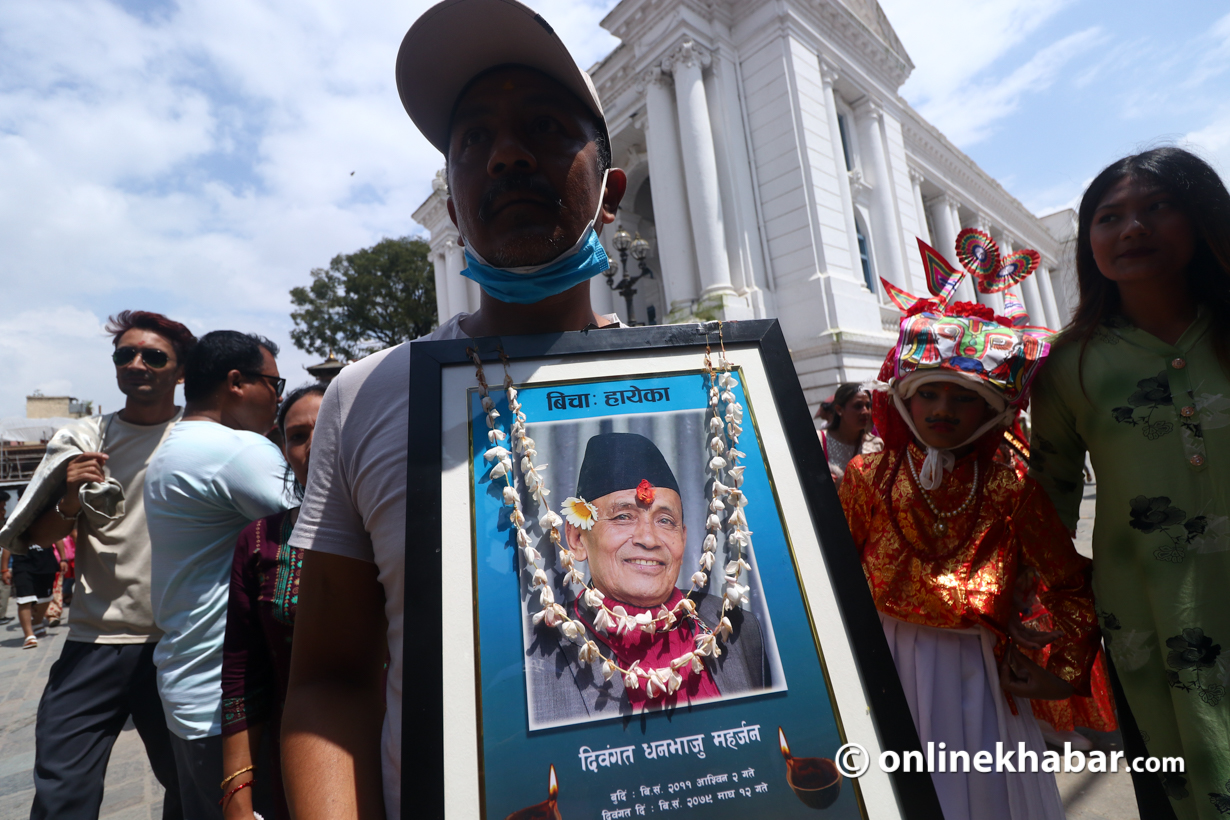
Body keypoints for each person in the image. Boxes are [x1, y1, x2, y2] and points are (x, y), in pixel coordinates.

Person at [281, 0, 630, 816]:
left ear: (610, 194)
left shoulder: (717, 388)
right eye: (473, 139)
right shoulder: (366, 395)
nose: (506, 155)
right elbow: (329, 678)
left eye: (544, 126)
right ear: (451, 204)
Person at [839, 290, 1100, 819]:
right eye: (929, 393)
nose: (942, 409)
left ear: (988, 409)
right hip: (883, 657)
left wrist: (1063, 670)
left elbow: (1070, 582)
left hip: (977, 671)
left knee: (983, 796)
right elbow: (834, 573)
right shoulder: (868, 477)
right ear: (905, 400)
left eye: (962, 397)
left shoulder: (1011, 487)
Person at [1028, 147, 1230, 820]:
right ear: (1088, 244)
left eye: (1156, 207)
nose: (1131, 229)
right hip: (1152, 617)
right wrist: (1050, 627)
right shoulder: (1069, 364)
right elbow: (1048, 501)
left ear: (1202, 216)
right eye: (1109, 216)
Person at [0, 309, 193, 819]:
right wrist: (68, 497)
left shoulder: (204, 438)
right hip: (94, 640)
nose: (136, 363)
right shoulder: (86, 438)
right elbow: (36, 537)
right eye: (125, 354)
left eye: (153, 356)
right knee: (63, 790)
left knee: (190, 784)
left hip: (176, 644)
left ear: (181, 372)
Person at [144, 330, 291, 820]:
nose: (278, 397)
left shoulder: (174, 446)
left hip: (189, 682)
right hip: (231, 701)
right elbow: (321, 532)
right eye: (274, 383)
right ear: (236, 382)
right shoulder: (235, 451)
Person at [528, 432, 768, 724]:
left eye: (665, 521)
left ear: (683, 538)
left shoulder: (735, 629)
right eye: (623, 517)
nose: (649, 539)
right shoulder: (537, 657)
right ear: (577, 539)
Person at [220, 383, 325, 820]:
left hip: (409, 747)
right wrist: (237, 795)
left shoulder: (413, 529)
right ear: (284, 452)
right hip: (301, 758)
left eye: (329, 428)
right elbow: (244, 675)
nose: (313, 445)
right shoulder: (260, 540)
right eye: (297, 436)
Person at [817, 383, 883, 489]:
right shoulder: (818, 440)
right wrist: (820, 479)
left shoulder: (876, 445)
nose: (865, 411)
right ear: (839, 410)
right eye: (858, 406)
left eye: (868, 405)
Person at [4, 540, 57, 648]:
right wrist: (4, 569)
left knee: (45, 599)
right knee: (24, 599)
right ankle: (29, 635)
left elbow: (57, 537)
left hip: (45, 563)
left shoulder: (45, 522)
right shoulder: (14, 523)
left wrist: (63, 558)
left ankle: (37, 622)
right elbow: (6, 542)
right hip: (22, 565)